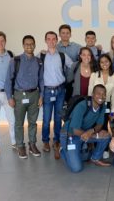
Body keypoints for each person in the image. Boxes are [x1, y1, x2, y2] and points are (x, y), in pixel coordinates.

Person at [4, 35, 44, 159]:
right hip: (19, 95)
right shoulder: (15, 61)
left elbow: (41, 80)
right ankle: (20, 146)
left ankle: (32, 144)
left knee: (33, 122)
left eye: (32, 44)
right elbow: (8, 81)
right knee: (19, 123)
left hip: (34, 95)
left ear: (35, 45)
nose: (29, 46)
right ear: (23, 46)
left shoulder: (38, 61)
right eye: (27, 44)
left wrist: (41, 96)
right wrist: (9, 97)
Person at [61, 84, 111, 172]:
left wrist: (92, 131)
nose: (101, 96)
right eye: (98, 93)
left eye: (103, 94)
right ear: (92, 94)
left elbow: (99, 124)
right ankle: (63, 149)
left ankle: (95, 158)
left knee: (106, 135)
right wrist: (95, 136)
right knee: (76, 168)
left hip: (86, 134)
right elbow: (75, 130)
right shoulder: (82, 105)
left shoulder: (102, 106)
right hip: (70, 135)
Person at [41, 31, 73, 159]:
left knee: (59, 118)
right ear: (46, 40)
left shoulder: (62, 55)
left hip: (60, 90)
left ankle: (57, 141)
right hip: (47, 91)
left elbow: (73, 66)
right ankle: (45, 141)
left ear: (57, 40)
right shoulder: (41, 56)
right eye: (49, 39)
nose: (51, 41)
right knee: (46, 119)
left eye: (54, 39)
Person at [57, 24, 82, 102]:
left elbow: (86, 56)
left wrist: (95, 47)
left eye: (67, 33)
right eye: (63, 33)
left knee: (72, 103)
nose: (65, 35)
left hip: (73, 81)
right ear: (59, 34)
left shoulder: (77, 47)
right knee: (60, 105)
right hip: (59, 81)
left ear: (70, 34)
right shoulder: (55, 48)